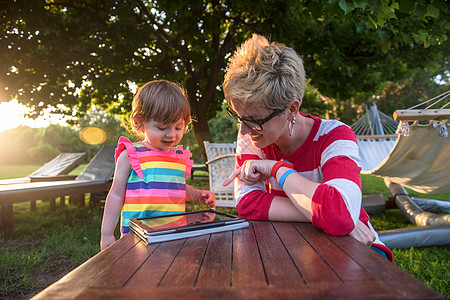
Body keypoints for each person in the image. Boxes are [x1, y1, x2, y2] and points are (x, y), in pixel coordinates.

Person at [222, 34, 393, 261]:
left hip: (358, 249)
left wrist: (277, 169)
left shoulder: (335, 136)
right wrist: (326, 214)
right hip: (294, 247)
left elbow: (339, 214)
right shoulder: (252, 133)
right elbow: (247, 203)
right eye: (238, 116)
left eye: (254, 120)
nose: (243, 130)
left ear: (292, 109)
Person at [100, 80, 215, 251]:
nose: (171, 134)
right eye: (162, 127)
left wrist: (198, 195)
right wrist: (106, 233)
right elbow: (116, 195)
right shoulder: (131, 155)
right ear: (141, 122)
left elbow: (176, 188)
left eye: (178, 127)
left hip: (175, 236)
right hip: (137, 239)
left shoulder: (178, 157)